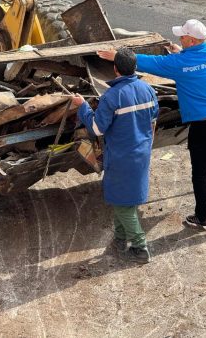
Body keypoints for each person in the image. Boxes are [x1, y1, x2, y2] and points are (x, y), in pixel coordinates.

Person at [97, 19, 206, 232]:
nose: (180, 38)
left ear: (191, 39)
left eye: (182, 37)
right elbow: (195, 62)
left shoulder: (179, 64)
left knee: (201, 172)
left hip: (202, 124)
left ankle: (204, 218)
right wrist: (181, 52)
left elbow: (152, 63)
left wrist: (118, 57)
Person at [71, 48, 159, 263]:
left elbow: (97, 129)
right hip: (141, 152)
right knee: (126, 197)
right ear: (135, 68)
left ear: (115, 68)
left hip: (121, 155)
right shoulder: (148, 89)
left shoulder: (112, 96)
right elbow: (154, 119)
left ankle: (140, 248)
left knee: (121, 201)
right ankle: (119, 239)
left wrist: (82, 106)